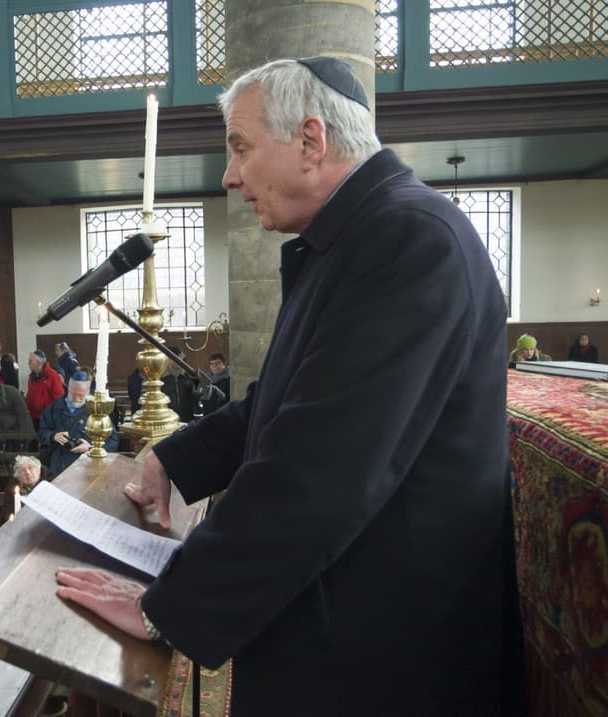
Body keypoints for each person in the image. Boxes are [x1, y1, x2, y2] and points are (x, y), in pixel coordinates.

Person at [54, 57, 517, 715]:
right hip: (349, 620)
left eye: (240, 147)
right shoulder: (357, 239)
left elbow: (321, 464)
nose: (230, 174)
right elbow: (283, 401)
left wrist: (170, 608)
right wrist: (172, 459)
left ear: (311, 140)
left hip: (389, 652)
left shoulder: (411, 240)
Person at [38, 372, 117, 476]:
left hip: (86, 466)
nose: (76, 399)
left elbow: (113, 440)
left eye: (81, 396)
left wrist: (91, 448)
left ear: (88, 392)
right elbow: (42, 430)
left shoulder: (96, 411)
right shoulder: (55, 407)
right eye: (73, 394)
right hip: (58, 464)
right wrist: (53, 436)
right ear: (68, 389)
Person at [25, 350, 65, 427]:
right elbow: (30, 396)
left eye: (30, 361)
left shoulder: (53, 376)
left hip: (47, 420)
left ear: (38, 362)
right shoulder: (32, 377)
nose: (28, 363)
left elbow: (59, 399)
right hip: (33, 418)